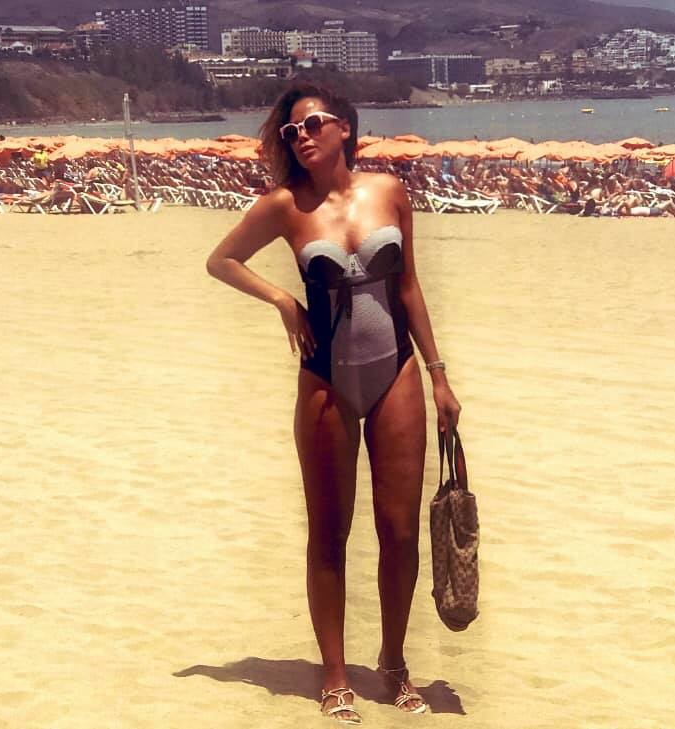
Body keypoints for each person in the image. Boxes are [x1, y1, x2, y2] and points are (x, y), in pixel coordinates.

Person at [206, 82, 462, 724]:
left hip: (397, 371)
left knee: (399, 531)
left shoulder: (388, 191)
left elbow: (408, 287)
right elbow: (222, 260)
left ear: (344, 127)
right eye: (291, 132)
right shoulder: (284, 206)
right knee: (329, 532)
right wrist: (282, 300)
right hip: (324, 379)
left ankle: (394, 665)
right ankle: (336, 674)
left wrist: (439, 375)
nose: (302, 137)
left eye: (313, 124)